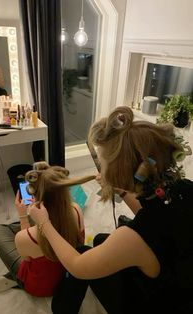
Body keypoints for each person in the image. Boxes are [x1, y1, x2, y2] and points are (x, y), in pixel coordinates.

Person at [28, 106, 193, 313]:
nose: (101, 168)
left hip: (157, 303)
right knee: (99, 241)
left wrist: (44, 223)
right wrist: (123, 191)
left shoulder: (132, 237)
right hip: (180, 276)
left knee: (82, 252)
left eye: (103, 163)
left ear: (120, 173)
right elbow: (152, 212)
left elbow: (77, 265)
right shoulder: (182, 188)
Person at [0, 161, 95, 297]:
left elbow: (25, 259)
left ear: (35, 197)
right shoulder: (76, 209)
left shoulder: (26, 237)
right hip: (66, 276)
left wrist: (22, 216)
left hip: (40, 288)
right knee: (25, 228)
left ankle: (15, 278)